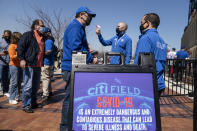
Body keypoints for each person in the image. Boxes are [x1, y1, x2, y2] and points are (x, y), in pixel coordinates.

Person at [60, 6, 97, 130]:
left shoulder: (79, 27)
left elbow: (78, 46)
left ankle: (70, 125)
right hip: (71, 68)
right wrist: (91, 58)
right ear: (81, 14)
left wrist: (88, 51)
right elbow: (75, 49)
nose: (90, 18)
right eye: (89, 15)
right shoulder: (76, 26)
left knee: (73, 99)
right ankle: (65, 127)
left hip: (74, 67)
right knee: (70, 100)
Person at [134, 13, 167, 97]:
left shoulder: (145, 38)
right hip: (159, 83)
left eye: (142, 22)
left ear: (147, 23)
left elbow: (140, 63)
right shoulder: (162, 41)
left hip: (147, 84)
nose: (140, 25)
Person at [17, 19, 45, 113]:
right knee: (28, 86)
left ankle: (33, 102)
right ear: (35, 26)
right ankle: (26, 105)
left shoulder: (42, 36)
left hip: (38, 65)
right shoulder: (28, 35)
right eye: (41, 25)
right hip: (29, 63)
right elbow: (20, 47)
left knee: (36, 86)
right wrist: (22, 59)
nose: (42, 27)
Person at [8, 32, 23, 104]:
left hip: (19, 65)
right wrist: (19, 54)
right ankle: (11, 98)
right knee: (14, 82)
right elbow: (12, 57)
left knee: (19, 82)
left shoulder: (18, 45)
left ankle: (17, 95)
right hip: (13, 66)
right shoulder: (11, 46)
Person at [41, 27, 55, 105]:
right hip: (49, 62)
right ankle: (49, 92)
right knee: (48, 78)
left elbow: (48, 51)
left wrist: (41, 54)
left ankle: (45, 94)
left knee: (45, 78)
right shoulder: (51, 40)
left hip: (46, 62)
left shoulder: (48, 41)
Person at [0, 30, 12, 97]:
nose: (7, 36)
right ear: (3, 35)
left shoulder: (11, 41)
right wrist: (1, 54)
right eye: (6, 35)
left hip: (9, 62)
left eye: (8, 35)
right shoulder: (1, 41)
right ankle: (3, 90)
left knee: (8, 77)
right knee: (2, 77)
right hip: (1, 62)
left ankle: (6, 91)